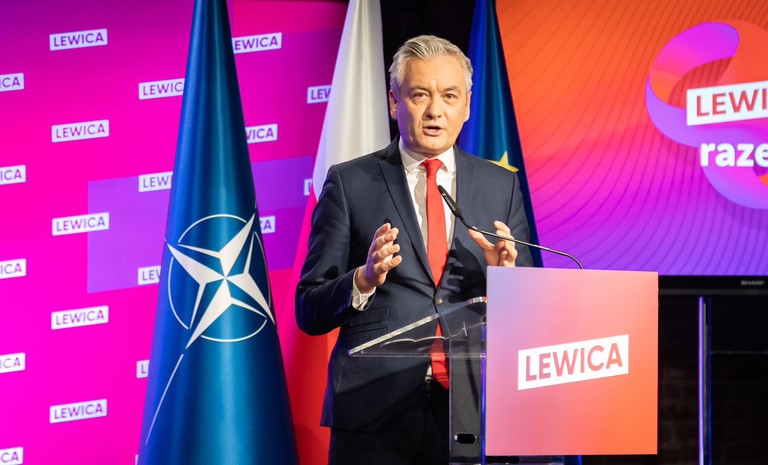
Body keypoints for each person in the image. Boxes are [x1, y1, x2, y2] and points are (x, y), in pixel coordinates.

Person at [296, 34, 533, 465]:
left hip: (471, 409)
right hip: (373, 414)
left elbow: (532, 315)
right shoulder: (351, 182)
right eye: (420, 94)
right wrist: (363, 280)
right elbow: (309, 308)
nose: (435, 110)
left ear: (466, 105)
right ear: (394, 102)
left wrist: (506, 280)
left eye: (449, 96)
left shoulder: (501, 185)